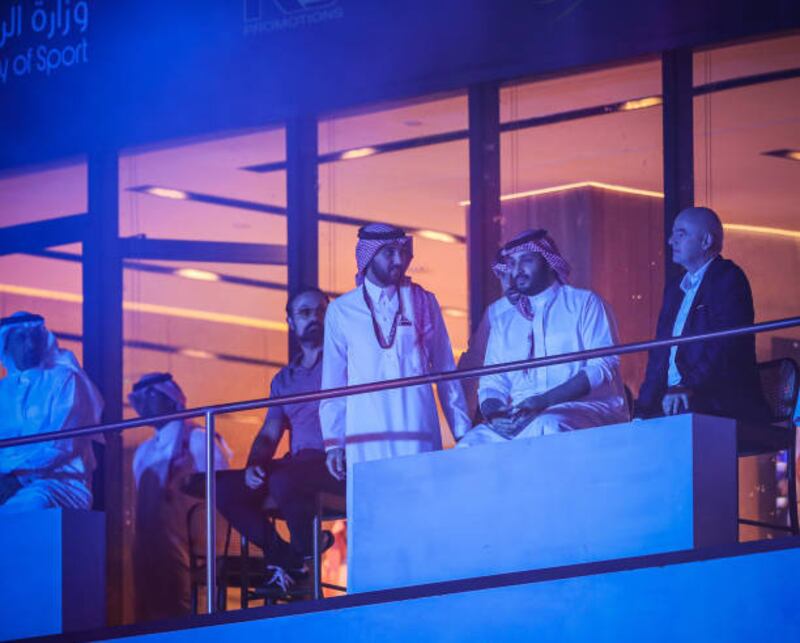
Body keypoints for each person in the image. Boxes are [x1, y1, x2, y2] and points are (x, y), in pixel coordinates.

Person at [215, 286, 344, 592]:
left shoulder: (345, 363)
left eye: (321, 311)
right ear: (290, 321)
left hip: (336, 463)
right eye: (305, 313)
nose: (315, 318)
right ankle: (287, 556)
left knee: (286, 479)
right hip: (299, 466)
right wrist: (254, 465)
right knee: (225, 489)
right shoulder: (284, 379)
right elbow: (270, 431)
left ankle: (302, 549)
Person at [320, 223, 471, 478]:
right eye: (389, 253)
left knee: (420, 506)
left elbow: (445, 371)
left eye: (401, 252)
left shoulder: (423, 301)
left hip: (417, 424)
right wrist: (334, 442)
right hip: (366, 432)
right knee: (374, 508)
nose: (399, 260)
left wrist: (463, 433)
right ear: (368, 256)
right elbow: (334, 382)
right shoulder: (341, 310)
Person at [458, 229, 628, 447]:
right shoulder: (504, 321)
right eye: (511, 263)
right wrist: (496, 415)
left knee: (548, 426)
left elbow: (603, 365)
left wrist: (544, 401)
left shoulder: (583, 303)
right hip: (521, 415)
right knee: (471, 444)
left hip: (581, 408)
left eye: (526, 260)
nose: (517, 270)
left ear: (549, 262)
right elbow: (492, 381)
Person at [635, 206, 769, 421]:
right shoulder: (674, 289)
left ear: (706, 241)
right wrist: (641, 408)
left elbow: (724, 346)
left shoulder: (728, 278)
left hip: (718, 398)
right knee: (636, 427)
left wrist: (687, 387)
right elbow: (659, 354)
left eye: (681, 234)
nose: (671, 241)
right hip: (675, 398)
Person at [130, 372, 230, 621]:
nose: (144, 403)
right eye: (140, 398)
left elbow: (221, 487)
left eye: (152, 396)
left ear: (171, 399)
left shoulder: (198, 439)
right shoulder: (142, 451)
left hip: (190, 544)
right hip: (148, 543)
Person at [0, 311, 103, 513]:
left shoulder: (63, 379)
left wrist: (17, 480)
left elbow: (60, 445)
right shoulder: (3, 390)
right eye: (21, 338)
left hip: (60, 484)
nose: (30, 345)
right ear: (6, 345)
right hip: (6, 483)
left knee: (26, 507)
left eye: (35, 337)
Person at [457, 249, 522, 420]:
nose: (510, 283)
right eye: (503, 275)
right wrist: (466, 417)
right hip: (502, 409)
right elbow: (474, 364)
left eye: (514, 274)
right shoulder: (496, 312)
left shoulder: (569, 308)